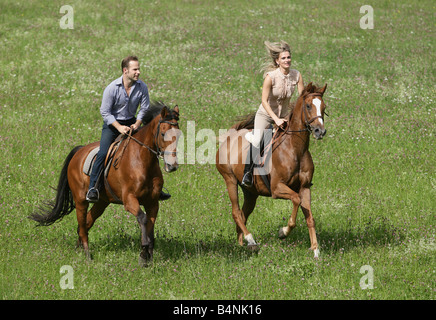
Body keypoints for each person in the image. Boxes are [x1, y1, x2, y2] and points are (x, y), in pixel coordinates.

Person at [86, 55, 171, 202]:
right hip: (113, 125)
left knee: (150, 148)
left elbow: (144, 108)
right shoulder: (112, 88)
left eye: (138, 69)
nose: (138, 72)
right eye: (135, 69)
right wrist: (119, 127)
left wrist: (137, 124)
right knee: (103, 153)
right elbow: (105, 112)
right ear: (125, 70)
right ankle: (93, 188)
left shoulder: (142, 87)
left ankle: (157, 187)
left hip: (132, 123)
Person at [242, 41, 305, 187]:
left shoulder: (296, 75)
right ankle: (247, 173)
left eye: (288, 57)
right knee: (258, 140)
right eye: (283, 58)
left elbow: (301, 99)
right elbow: (264, 101)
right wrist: (275, 119)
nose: (287, 60)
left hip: (284, 116)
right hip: (266, 115)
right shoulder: (270, 77)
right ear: (277, 61)